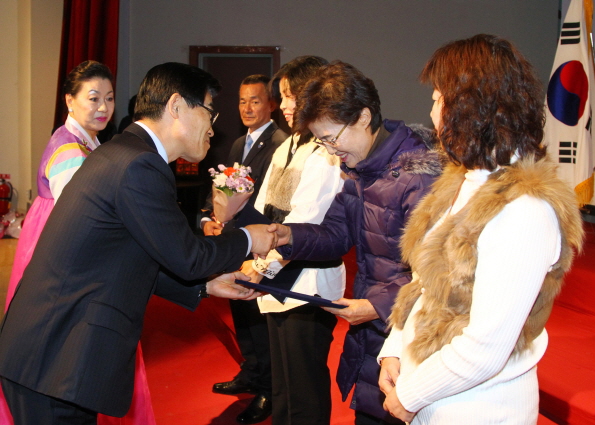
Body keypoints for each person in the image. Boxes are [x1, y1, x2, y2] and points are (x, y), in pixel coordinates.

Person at [0, 62, 277, 425]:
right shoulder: (140, 165)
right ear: (177, 107)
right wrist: (247, 237)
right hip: (56, 358)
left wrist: (204, 287)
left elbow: (125, 252)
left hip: (46, 351)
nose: (213, 127)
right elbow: (189, 257)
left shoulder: (123, 151)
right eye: (210, 112)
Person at [376, 34, 584, 425]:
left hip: (479, 407)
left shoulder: (526, 208)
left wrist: (410, 394)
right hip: (434, 393)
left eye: (439, 98)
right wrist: (395, 349)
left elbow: (487, 346)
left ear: (471, 108)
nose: (433, 111)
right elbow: (424, 287)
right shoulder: (463, 180)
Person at [269, 61, 443, 425]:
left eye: (331, 138)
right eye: (321, 142)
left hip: (408, 335)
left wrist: (376, 306)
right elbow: (335, 233)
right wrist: (286, 236)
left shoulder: (418, 177)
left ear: (364, 117)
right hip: (375, 329)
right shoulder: (361, 168)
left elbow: (436, 275)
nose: (330, 151)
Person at [238, 56, 346, 425]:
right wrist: (248, 253)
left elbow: (306, 220)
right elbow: (262, 203)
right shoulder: (288, 146)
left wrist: (258, 266)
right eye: (282, 96)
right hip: (276, 274)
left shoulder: (325, 150)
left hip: (307, 281)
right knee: (283, 382)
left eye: (290, 96)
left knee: (304, 386)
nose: (282, 105)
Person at [208, 75, 288, 424]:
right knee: (241, 308)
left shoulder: (280, 142)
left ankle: (268, 389)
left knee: (260, 317)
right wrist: (211, 217)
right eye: (242, 101)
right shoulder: (239, 141)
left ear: (271, 104)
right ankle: (250, 373)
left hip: (262, 237)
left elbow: (273, 200)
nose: (247, 108)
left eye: (255, 101)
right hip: (237, 237)